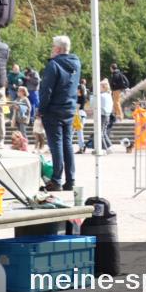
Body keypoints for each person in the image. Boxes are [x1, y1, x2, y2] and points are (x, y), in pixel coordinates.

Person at [39, 35, 81, 192]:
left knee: (56, 144)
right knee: (67, 144)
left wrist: (41, 110)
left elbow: (46, 90)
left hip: (53, 110)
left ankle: (56, 180)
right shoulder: (76, 63)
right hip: (69, 108)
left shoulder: (53, 65)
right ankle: (70, 180)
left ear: (57, 49)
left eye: (52, 47)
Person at [97, 79, 114, 154]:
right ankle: (109, 147)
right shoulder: (108, 95)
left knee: (100, 133)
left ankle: (105, 148)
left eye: (100, 86)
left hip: (102, 115)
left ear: (103, 87)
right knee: (103, 132)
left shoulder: (101, 96)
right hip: (107, 115)